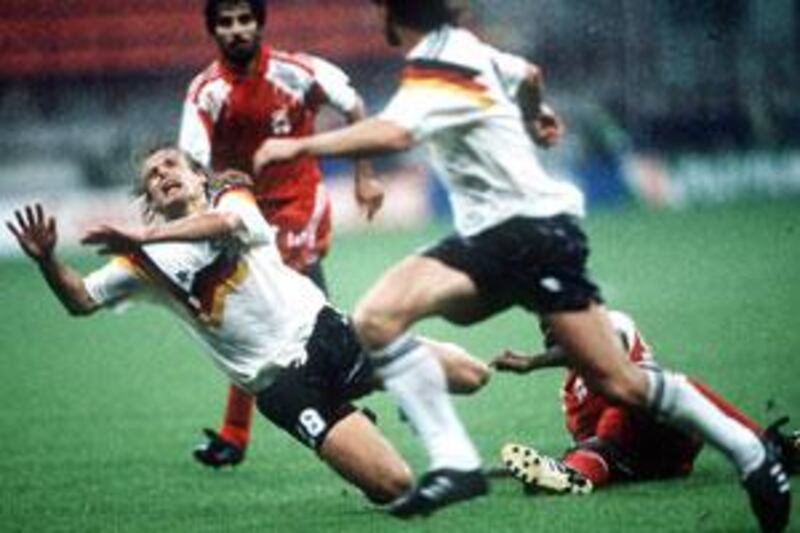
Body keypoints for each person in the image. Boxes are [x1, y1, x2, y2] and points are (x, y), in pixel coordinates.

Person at [251, 0, 791, 528]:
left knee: (620, 381)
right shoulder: (464, 47)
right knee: (376, 317)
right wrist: (537, 114)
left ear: (393, 16)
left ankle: (750, 452)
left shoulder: (437, 65)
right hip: (491, 238)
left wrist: (297, 148)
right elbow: (527, 73)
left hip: (537, 234)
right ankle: (456, 462)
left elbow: (394, 133)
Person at [4, 146, 491, 508]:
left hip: (330, 336)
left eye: (172, 165)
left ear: (199, 176)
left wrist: (145, 233)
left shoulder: (232, 195)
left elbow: (227, 227)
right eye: (152, 176)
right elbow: (81, 300)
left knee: (472, 375)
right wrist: (48, 260)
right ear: (149, 197)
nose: (162, 175)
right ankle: (356, 417)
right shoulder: (142, 264)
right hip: (283, 386)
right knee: (394, 486)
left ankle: (397, 391)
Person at [178, 0, 385, 467]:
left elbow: (355, 106)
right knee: (278, 318)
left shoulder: (298, 71)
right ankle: (375, 388)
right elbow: (193, 164)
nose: (236, 29)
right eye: (226, 22)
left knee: (281, 317)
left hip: (298, 206)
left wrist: (365, 174)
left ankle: (242, 434)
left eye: (244, 19)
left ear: (259, 24)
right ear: (214, 32)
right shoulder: (206, 92)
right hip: (244, 216)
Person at [491, 310, 800, 495]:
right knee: (598, 446)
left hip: (673, 436)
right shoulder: (571, 394)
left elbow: (604, 352)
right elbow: (594, 443)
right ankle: (569, 476)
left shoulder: (612, 323)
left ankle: (771, 446)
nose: (547, 328)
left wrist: (533, 362)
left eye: (556, 320)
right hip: (637, 465)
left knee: (647, 388)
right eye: (544, 323)